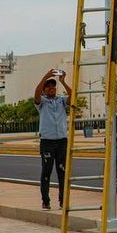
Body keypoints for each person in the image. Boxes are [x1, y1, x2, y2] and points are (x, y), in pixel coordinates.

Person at [35, 69, 73, 210]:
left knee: (62, 171)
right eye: (49, 87)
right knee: (46, 171)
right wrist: (45, 76)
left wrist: (63, 81)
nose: (52, 89)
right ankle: (46, 200)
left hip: (61, 141)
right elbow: (36, 94)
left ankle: (63, 200)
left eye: (53, 86)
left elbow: (72, 96)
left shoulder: (61, 101)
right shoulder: (42, 102)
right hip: (47, 142)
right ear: (45, 90)